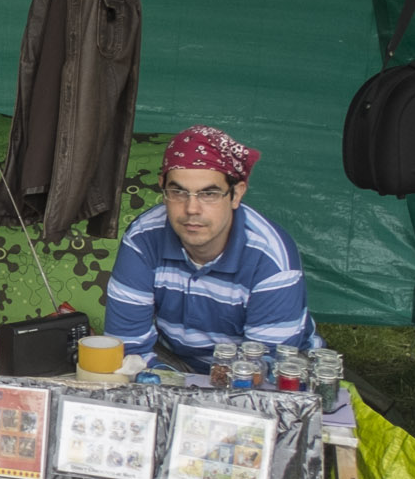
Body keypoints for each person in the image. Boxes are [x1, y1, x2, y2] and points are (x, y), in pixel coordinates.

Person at [104, 125, 322, 372]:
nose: (192, 209)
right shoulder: (143, 239)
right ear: (163, 188)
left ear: (236, 194)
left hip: (268, 375)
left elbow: (267, 368)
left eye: (209, 193)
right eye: (178, 192)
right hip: (176, 365)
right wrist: (172, 388)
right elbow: (129, 347)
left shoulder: (270, 259)